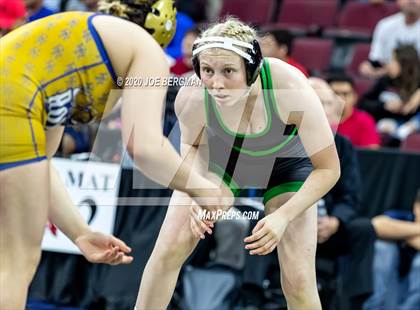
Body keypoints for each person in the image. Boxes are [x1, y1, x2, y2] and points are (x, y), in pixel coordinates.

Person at [0, 1, 229, 308]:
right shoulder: (145, 48)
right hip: (12, 104)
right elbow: (145, 147)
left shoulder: (79, 43)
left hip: (12, 100)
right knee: (16, 261)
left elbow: (41, 162)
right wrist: (203, 189)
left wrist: (80, 233)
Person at [136, 17, 340, 310]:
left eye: (228, 71)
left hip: (285, 163)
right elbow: (191, 146)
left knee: (297, 279)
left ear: (253, 69)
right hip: (224, 157)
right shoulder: (193, 95)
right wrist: (197, 191)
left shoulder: (290, 88)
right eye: (207, 70)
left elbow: (329, 169)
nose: (216, 84)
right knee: (169, 249)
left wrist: (283, 216)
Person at [310, 78, 377, 308]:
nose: (323, 109)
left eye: (328, 104)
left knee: (363, 229)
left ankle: (354, 302)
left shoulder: (343, 146)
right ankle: (255, 297)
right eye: (317, 102)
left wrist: (335, 221)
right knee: (257, 222)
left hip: (328, 225)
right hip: (289, 222)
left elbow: (351, 195)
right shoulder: (281, 142)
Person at [364, 191, 420, 310]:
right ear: (416, 207)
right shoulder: (405, 217)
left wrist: (399, 234)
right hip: (391, 290)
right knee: (383, 247)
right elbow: (376, 225)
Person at [360, 45, 420, 143]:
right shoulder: (385, 81)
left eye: (393, 60)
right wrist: (384, 105)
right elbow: (363, 103)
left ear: (405, 64)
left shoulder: (417, 85)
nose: (389, 64)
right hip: (382, 125)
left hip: (407, 128)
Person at [359, 0, 420, 79]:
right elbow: (376, 60)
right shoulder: (385, 26)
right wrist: (370, 69)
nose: (411, 1)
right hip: (389, 83)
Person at [327, 74, 380, 148]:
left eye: (345, 94)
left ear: (355, 97)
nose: (340, 98)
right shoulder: (318, 120)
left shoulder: (365, 120)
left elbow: (371, 155)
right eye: (335, 93)